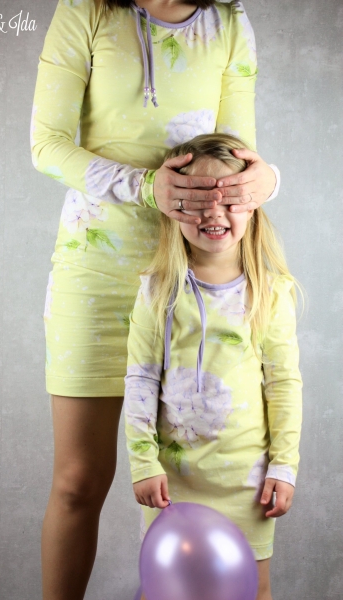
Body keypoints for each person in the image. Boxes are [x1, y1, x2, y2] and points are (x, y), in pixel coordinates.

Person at [30, 1, 280, 598]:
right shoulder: (86, 9)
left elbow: (236, 152)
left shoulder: (229, 22)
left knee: (196, 487)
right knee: (78, 482)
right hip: (94, 277)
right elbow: (47, 144)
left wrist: (267, 179)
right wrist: (147, 186)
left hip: (195, 283)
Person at [124, 134, 302, 600]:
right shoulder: (157, 291)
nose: (213, 212)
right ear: (173, 206)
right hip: (173, 485)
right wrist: (142, 463)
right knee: (165, 589)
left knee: (254, 589)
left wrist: (284, 466)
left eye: (228, 198)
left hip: (248, 483)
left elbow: (283, 384)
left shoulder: (270, 292)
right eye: (197, 199)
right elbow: (141, 379)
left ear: (253, 201)